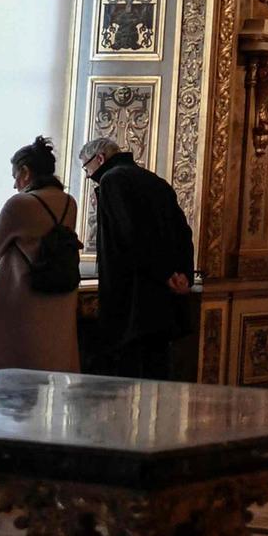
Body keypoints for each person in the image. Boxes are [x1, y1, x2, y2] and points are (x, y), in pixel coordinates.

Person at [80, 137, 194, 378]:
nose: (89, 175)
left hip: (132, 295)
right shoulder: (156, 181)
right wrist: (182, 274)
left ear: (100, 159)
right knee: (158, 369)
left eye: (87, 167)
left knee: (127, 375)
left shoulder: (112, 180)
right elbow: (183, 231)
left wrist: (163, 273)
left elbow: (131, 234)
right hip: (164, 295)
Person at [0, 137, 81, 372]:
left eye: (15, 176)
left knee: (14, 371)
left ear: (25, 172)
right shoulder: (70, 203)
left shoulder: (20, 204)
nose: (15, 184)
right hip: (59, 298)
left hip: (22, 298)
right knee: (50, 365)